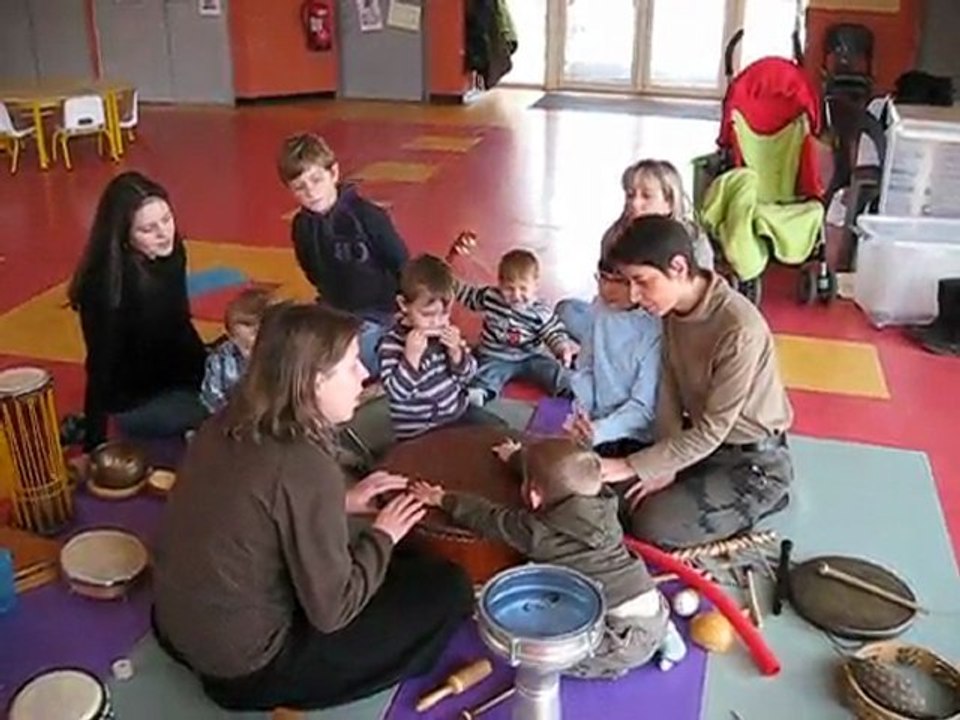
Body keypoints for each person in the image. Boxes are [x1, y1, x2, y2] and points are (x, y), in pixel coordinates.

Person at [152, 302, 473, 712]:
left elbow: (255, 505)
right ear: (315, 381)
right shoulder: (304, 463)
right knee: (448, 587)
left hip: (179, 627)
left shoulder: (227, 419)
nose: (364, 376)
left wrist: (341, 502)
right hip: (246, 668)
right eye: (353, 365)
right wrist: (383, 534)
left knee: (397, 560)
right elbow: (332, 610)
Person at [411, 436, 681, 679]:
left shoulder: (537, 532)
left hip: (619, 637)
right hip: (651, 601)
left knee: (545, 658)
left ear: (533, 496)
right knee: (630, 605)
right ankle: (663, 636)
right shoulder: (605, 503)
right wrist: (518, 459)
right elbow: (562, 475)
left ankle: (619, 664)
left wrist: (442, 498)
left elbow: (490, 518)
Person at [600, 216, 793, 548]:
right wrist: (662, 464)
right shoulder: (674, 308)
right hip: (705, 448)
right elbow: (670, 389)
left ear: (678, 267)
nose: (634, 294)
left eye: (642, 281)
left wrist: (633, 464)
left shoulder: (739, 329)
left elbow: (713, 430)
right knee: (612, 497)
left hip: (751, 462)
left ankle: (764, 498)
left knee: (651, 524)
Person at [68, 171, 207, 452]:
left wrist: (210, 369)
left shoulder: (172, 251)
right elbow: (100, 366)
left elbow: (180, 322)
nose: (163, 233)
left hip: (174, 375)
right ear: (125, 236)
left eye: (166, 219)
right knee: (227, 413)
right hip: (136, 401)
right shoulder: (105, 286)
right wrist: (95, 443)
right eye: (147, 229)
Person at [278, 133, 409, 375]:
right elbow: (310, 269)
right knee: (305, 353)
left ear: (334, 173)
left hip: (379, 310)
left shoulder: (369, 217)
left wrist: (405, 307)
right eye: (299, 187)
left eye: (316, 180)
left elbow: (401, 261)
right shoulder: (301, 226)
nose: (310, 192)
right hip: (334, 307)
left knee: (359, 356)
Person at [557, 159, 714, 344]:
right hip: (618, 317)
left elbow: (694, 301)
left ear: (670, 201)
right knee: (567, 310)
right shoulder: (616, 235)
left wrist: (635, 301)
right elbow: (607, 284)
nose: (635, 203)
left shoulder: (694, 241)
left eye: (646, 196)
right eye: (630, 195)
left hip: (665, 328)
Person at [447, 238, 576, 404]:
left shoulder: (540, 310)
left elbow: (553, 331)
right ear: (499, 284)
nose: (516, 295)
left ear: (535, 285)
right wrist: (449, 282)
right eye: (509, 288)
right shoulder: (490, 297)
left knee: (552, 371)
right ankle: (481, 393)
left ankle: (573, 388)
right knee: (485, 372)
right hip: (496, 356)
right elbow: (469, 295)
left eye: (523, 288)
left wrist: (561, 347)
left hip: (530, 356)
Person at [565, 257, 661, 458]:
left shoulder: (654, 329)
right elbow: (585, 365)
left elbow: (644, 408)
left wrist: (599, 431)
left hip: (631, 431)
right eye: (601, 277)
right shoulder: (601, 306)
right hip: (595, 418)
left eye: (617, 280)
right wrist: (583, 408)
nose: (604, 288)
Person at [200, 287, 273, 413]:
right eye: (246, 348)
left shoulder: (283, 355)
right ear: (231, 336)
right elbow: (212, 396)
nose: (252, 353)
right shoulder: (220, 359)